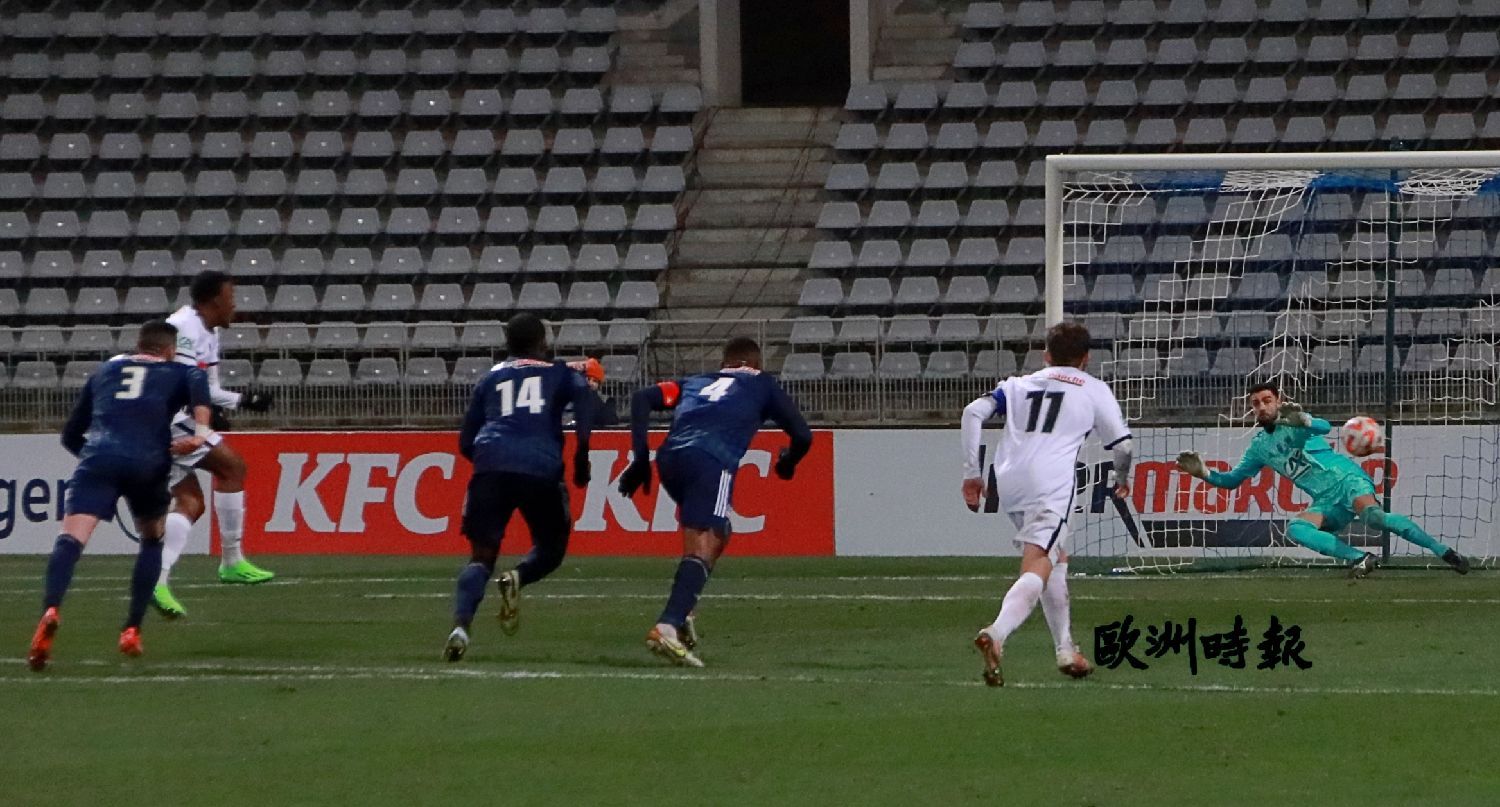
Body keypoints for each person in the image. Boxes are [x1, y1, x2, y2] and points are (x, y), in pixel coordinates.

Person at [28, 321, 212, 671]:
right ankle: (131, 630)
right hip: (148, 462)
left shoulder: (104, 372)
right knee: (152, 538)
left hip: (99, 458)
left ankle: (51, 609)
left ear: (139, 345)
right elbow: (200, 389)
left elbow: (70, 435)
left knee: (71, 539)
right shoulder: (180, 371)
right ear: (169, 350)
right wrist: (200, 434)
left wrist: (96, 460)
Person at [619, 337, 813, 667]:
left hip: (670, 459)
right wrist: (788, 462)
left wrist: (640, 459)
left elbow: (642, 398)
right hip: (711, 459)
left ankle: (683, 611)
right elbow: (803, 435)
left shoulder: (695, 381)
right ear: (756, 363)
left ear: (725, 363)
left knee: (718, 531)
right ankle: (668, 625)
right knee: (706, 539)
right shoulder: (762, 382)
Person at [961, 321, 1133, 687]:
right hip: (1050, 483)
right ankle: (997, 632)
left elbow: (972, 413)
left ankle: (1066, 649)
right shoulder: (1093, 388)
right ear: (1086, 358)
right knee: (1039, 559)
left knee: (1055, 556)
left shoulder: (1017, 384)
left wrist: (972, 473)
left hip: (1008, 481)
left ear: (1046, 355)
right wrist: (1121, 478)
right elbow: (1123, 446)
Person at [1177, 380, 1470, 578]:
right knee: (1297, 529)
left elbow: (1323, 426)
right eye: (1256, 403)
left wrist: (1304, 420)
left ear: (1279, 401)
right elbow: (1232, 481)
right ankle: (1359, 558)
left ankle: (1444, 552)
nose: (1262, 407)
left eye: (1267, 400)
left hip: (1346, 479)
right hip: (1326, 499)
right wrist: (1203, 473)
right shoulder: (1258, 448)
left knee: (1374, 518)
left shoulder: (1294, 420)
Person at [444, 314, 596, 662]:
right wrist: (581, 454)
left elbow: (466, 441)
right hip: (540, 467)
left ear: (508, 344)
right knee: (551, 549)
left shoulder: (489, 378)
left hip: (491, 466)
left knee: (481, 558)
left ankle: (461, 627)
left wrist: (491, 461)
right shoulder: (559, 373)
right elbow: (585, 403)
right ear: (543, 343)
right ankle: (517, 576)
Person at [153, 270, 276, 619]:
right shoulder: (184, 327)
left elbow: (208, 386)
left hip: (170, 418)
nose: (234, 305)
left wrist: (241, 401)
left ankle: (157, 579)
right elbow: (182, 381)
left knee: (191, 502)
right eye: (230, 297)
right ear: (213, 301)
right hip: (167, 418)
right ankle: (232, 561)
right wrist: (210, 412)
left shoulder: (210, 331)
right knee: (232, 468)